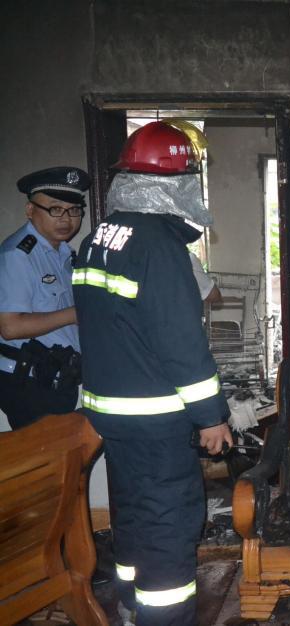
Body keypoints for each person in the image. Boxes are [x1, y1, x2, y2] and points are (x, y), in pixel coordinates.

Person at [73, 121, 233, 626]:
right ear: (176, 183)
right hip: (156, 418)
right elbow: (180, 342)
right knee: (168, 522)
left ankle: (129, 603)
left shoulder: (99, 237)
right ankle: (163, 618)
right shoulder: (159, 246)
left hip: (110, 413)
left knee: (133, 511)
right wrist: (212, 417)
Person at [0, 167, 89, 429]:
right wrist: (76, 313)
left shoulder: (64, 254)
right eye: (55, 209)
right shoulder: (18, 255)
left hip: (58, 376)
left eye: (74, 210)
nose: (66, 219)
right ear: (30, 210)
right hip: (29, 382)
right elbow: (10, 327)